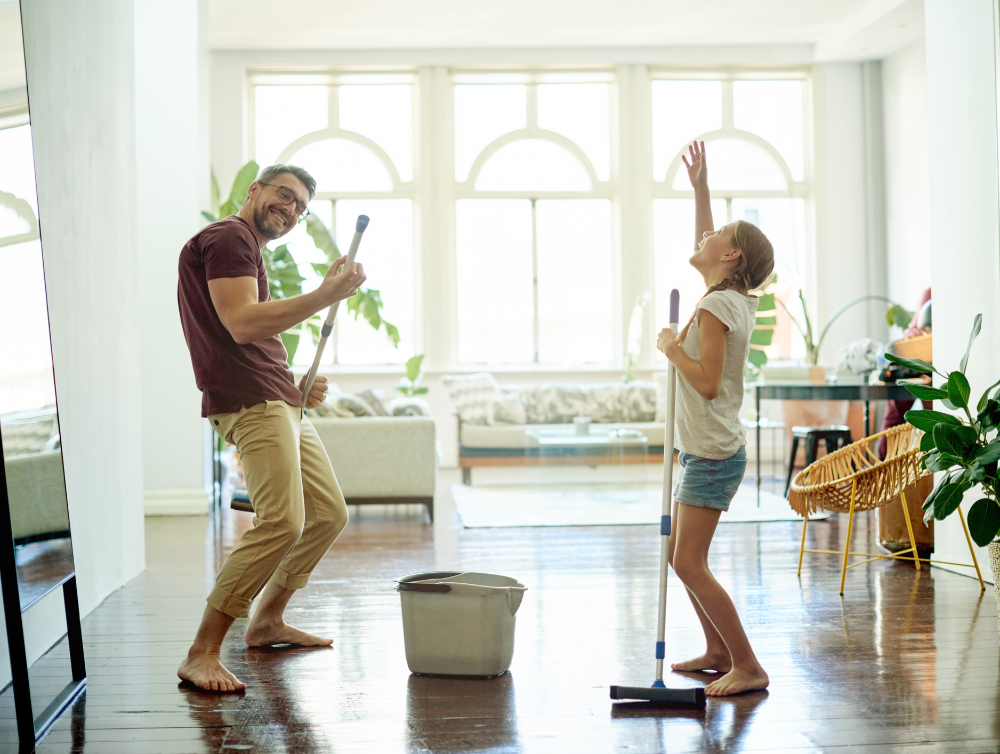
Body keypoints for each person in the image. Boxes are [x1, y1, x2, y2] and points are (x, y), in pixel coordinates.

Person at [176, 164, 367, 692]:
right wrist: (326, 295)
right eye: (285, 195)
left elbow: (248, 330)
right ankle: (202, 651)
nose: (291, 209)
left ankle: (265, 621)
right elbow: (242, 323)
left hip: (277, 395)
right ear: (255, 190)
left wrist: (297, 382)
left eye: (301, 208)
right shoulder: (230, 237)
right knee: (282, 521)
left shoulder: (248, 249)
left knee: (328, 513)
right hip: (251, 401)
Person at [656, 141, 773, 697]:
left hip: (712, 453)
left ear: (731, 257)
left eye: (716, 234)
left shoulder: (713, 306)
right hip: (706, 448)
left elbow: (704, 382)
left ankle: (747, 665)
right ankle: (717, 650)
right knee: (683, 560)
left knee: (689, 562)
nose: (703, 237)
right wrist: (701, 190)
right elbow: (709, 245)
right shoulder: (729, 296)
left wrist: (669, 349)